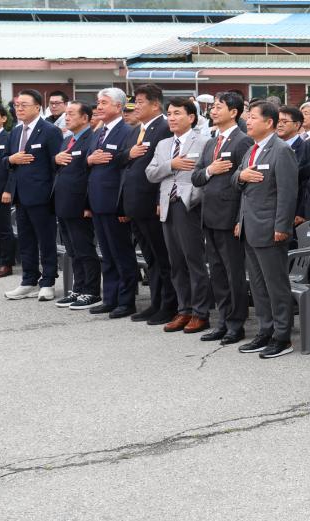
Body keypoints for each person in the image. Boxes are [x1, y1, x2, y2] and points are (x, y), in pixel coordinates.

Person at [232, 101, 299, 359]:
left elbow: (287, 192)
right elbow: (238, 184)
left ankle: (282, 336)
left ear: (269, 122)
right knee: (258, 286)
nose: (247, 121)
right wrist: (241, 177)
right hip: (250, 226)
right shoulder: (252, 149)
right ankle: (265, 330)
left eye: (252, 118)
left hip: (271, 228)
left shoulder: (280, 150)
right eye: (247, 118)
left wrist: (282, 225)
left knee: (275, 285)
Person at [191, 91, 253, 345]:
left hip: (230, 218)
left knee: (233, 273)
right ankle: (223, 321)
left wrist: (241, 218)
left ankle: (236, 324)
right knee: (216, 272)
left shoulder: (242, 141)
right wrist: (210, 169)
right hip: (209, 215)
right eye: (213, 107)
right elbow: (196, 177)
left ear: (234, 112)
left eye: (219, 107)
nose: (213, 111)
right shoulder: (210, 143)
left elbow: (245, 185)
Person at [146, 97, 212, 335]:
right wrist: (171, 164)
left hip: (190, 206)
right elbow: (151, 173)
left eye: (176, 114)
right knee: (176, 263)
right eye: (169, 114)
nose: (171, 118)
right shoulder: (163, 144)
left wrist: (194, 197)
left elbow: (207, 175)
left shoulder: (205, 142)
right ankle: (183, 309)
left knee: (194, 261)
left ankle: (200, 313)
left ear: (191, 117)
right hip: (167, 206)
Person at [1, 90, 64, 302]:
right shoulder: (15, 132)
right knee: (26, 240)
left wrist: (52, 193)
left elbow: (56, 165)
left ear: (37, 107)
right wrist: (12, 159)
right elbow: (5, 162)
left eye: (24, 105)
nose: (19, 109)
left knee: (46, 240)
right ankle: (28, 280)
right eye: (17, 105)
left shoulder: (50, 131)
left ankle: (48, 282)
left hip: (42, 196)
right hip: (20, 195)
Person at [122, 84, 176, 325]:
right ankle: (155, 303)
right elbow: (127, 161)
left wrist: (157, 201)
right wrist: (128, 154)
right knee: (150, 258)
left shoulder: (164, 128)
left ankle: (169, 305)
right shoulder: (137, 130)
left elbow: (164, 169)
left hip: (153, 203)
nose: (136, 106)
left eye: (141, 101)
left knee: (163, 258)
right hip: (135, 203)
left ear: (155, 104)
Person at [84, 87, 137, 318]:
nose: (99, 106)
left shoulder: (128, 131)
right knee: (106, 252)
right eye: (98, 102)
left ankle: (126, 301)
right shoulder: (98, 131)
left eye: (104, 102)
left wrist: (124, 205)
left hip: (116, 203)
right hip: (97, 200)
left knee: (122, 253)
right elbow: (90, 163)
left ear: (118, 106)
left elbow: (129, 168)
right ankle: (110, 297)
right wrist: (89, 159)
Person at [51, 101, 101, 310]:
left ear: (85, 118)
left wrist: (88, 204)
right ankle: (78, 289)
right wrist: (55, 158)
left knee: (84, 248)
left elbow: (90, 172)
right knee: (72, 250)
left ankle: (91, 291)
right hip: (63, 202)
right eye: (66, 114)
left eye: (71, 114)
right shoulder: (67, 140)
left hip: (80, 203)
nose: (67, 117)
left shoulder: (92, 139)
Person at [0, 103, 15, 279]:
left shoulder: (8, 138)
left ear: (4, 118)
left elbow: (12, 167)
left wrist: (9, 190)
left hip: (0, 191)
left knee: (3, 229)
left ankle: (6, 263)